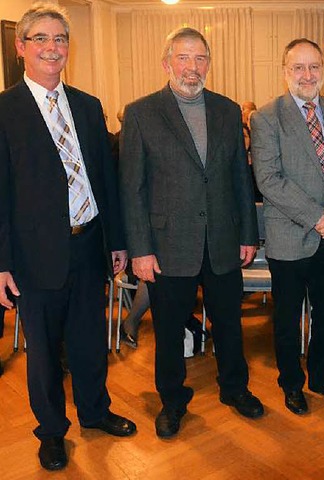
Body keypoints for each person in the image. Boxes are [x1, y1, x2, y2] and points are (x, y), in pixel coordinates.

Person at [0, 3, 136, 471]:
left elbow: (106, 179)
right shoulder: (4, 111)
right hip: (35, 256)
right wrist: (0, 262)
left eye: (59, 39)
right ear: (21, 48)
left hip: (90, 244)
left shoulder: (88, 104)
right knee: (42, 352)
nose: (52, 48)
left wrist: (117, 239)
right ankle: (52, 432)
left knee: (90, 340)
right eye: (41, 38)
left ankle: (95, 412)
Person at [119, 27, 263, 438]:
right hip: (167, 246)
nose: (192, 67)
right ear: (167, 64)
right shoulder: (142, 113)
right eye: (183, 58)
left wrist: (248, 233)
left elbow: (240, 178)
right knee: (167, 330)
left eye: (200, 58)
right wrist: (140, 250)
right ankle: (172, 401)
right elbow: (133, 188)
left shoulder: (226, 110)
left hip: (221, 241)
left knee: (230, 324)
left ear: (208, 64)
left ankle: (235, 389)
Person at [251, 38, 324, 415]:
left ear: (323, 70)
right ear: (285, 72)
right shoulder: (266, 118)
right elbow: (269, 179)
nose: (307, 75)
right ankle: (291, 383)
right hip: (291, 236)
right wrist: (319, 215)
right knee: (287, 318)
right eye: (298, 67)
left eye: (314, 66)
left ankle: (323, 377)